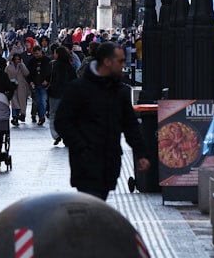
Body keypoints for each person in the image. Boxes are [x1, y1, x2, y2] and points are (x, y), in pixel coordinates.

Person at [53, 42, 150, 201]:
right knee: (92, 208)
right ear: (107, 61)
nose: (123, 65)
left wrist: (142, 154)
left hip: (109, 163)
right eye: (120, 61)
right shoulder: (78, 89)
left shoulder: (120, 91)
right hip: (85, 164)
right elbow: (62, 122)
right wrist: (81, 146)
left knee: (97, 206)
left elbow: (130, 125)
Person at [27, 45, 51, 126]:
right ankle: (41, 116)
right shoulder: (32, 61)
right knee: (37, 101)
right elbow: (28, 73)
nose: (36, 55)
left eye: (37, 53)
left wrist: (47, 80)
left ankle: (42, 116)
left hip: (44, 85)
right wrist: (30, 82)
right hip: (35, 84)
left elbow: (50, 73)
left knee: (43, 101)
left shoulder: (47, 61)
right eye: (34, 54)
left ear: (41, 52)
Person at [6, 52, 30, 126]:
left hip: (21, 86)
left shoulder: (22, 66)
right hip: (12, 86)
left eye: (18, 59)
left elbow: (26, 73)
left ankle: (22, 114)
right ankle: (15, 117)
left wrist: (22, 65)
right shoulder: (9, 66)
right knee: (14, 103)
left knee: (22, 102)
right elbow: (5, 74)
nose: (17, 61)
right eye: (15, 59)